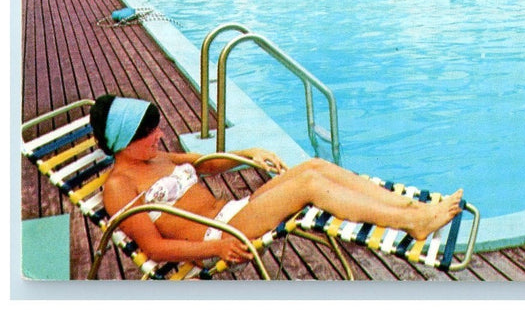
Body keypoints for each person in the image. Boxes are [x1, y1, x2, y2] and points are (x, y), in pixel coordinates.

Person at [89, 94, 463, 266]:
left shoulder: (156, 156)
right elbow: (154, 248)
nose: (159, 135)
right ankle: (413, 223)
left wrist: (249, 153)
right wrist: (215, 250)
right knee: (309, 187)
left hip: (233, 213)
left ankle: (407, 206)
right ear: (124, 141)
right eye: (149, 132)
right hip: (216, 236)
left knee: (313, 166)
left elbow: (203, 163)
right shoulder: (119, 186)